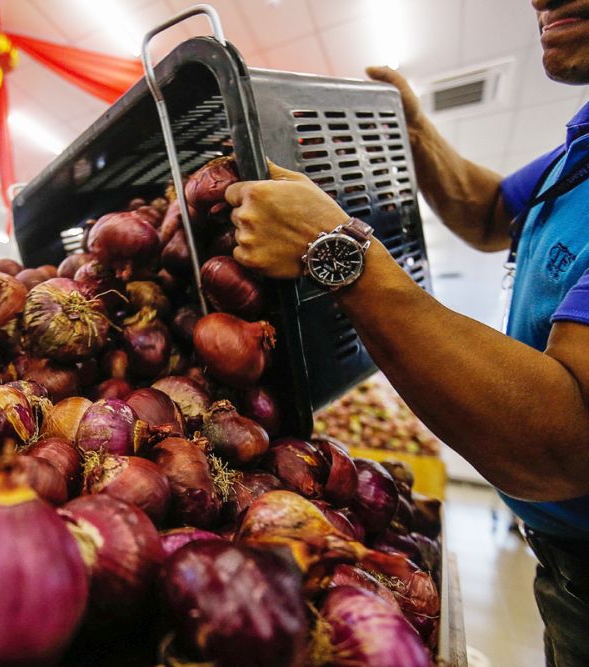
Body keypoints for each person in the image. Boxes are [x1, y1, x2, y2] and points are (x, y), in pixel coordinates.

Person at [225, 2, 589, 663]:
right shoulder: (580, 152)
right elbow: (487, 211)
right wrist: (415, 132)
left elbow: (565, 443)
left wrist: (334, 249)